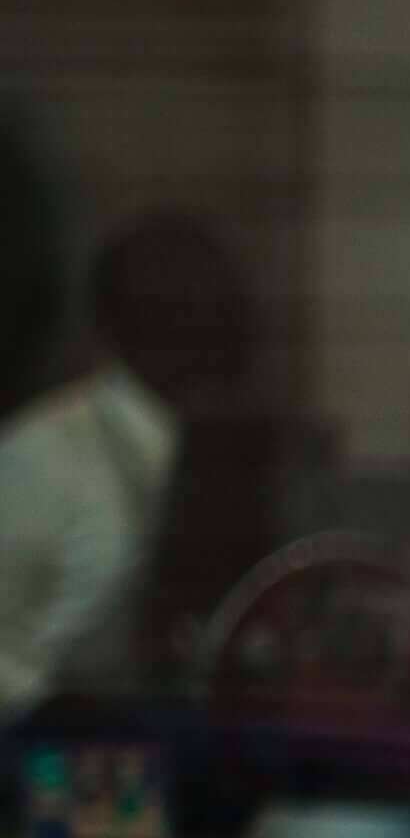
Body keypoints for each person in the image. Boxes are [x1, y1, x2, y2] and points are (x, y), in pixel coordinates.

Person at [0, 210, 250, 724]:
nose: (210, 322)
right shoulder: (47, 450)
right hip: (52, 755)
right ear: (122, 320)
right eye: (180, 302)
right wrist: (48, 708)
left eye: (217, 302)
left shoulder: (229, 449)